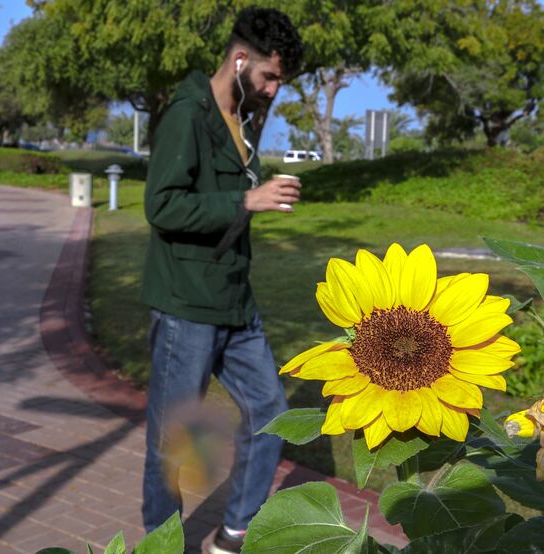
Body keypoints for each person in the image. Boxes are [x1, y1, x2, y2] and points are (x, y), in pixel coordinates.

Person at [140, 7, 304, 554]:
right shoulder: (187, 113)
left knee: (272, 415)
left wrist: (255, 196)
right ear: (239, 61)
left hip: (236, 300)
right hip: (186, 304)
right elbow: (162, 206)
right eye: (269, 76)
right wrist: (247, 199)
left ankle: (234, 533)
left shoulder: (246, 118)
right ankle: (162, 545)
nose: (275, 90)